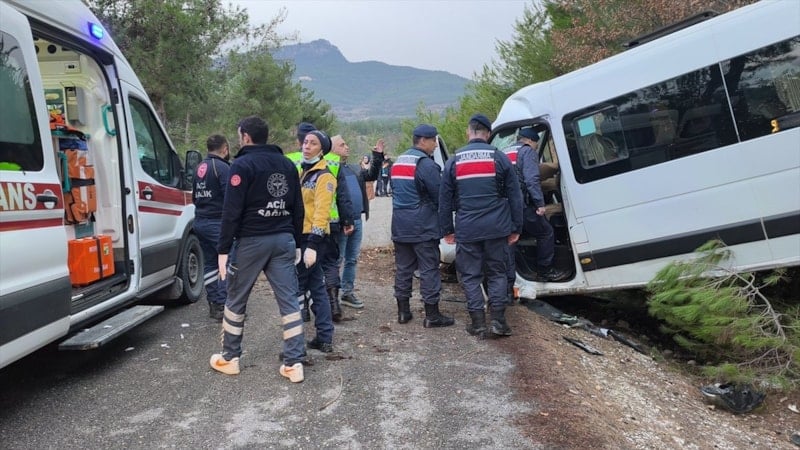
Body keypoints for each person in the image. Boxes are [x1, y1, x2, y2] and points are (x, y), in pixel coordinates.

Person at [209, 116, 306, 383]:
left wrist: (223, 249)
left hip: (251, 240)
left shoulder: (242, 165)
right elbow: (298, 207)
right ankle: (294, 363)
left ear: (246, 137)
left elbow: (231, 211)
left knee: (236, 299)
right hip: (283, 238)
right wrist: (298, 242)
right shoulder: (287, 164)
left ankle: (230, 358)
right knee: (290, 300)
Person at [439, 114, 523, 338]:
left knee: (470, 276)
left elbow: (444, 199)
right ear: (488, 134)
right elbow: (515, 196)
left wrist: (447, 229)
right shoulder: (499, 157)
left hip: (467, 229)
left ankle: (477, 323)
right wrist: (516, 227)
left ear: (468, 132)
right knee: (497, 273)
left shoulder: (454, 161)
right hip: (497, 228)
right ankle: (498, 322)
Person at [390, 124, 454, 328]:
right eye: (434, 141)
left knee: (403, 269)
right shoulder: (425, 165)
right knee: (429, 269)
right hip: (422, 226)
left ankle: (403, 312)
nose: (435, 145)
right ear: (424, 141)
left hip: (400, 225)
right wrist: (448, 225)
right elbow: (439, 197)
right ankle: (432, 315)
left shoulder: (399, 161)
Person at [330, 135, 384, 309]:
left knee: (352, 259)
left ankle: (347, 292)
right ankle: (331, 296)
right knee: (337, 259)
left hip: (356, 220)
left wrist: (377, 156)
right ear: (331, 149)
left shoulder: (353, 168)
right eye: (342, 144)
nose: (347, 147)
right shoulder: (328, 169)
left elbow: (371, 175)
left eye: (346, 144)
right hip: (340, 222)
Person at [296, 130, 336, 353]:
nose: (306, 146)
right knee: (317, 288)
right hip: (303, 237)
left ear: (322, 150)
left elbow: (322, 212)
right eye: (305, 142)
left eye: (313, 143)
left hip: (313, 239)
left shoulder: (324, 176)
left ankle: (295, 346)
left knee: (296, 288)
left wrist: (312, 244)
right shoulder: (304, 172)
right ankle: (324, 337)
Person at [512, 128, 569, 284]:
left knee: (511, 239)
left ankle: (514, 275)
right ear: (530, 141)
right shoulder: (527, 152)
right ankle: (545, 271)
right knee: (546, 232)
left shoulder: (506, 152)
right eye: (536, 144)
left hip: (506, 207)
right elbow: (531, 180)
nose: (536, 147)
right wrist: (539, 204)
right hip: (522, 206)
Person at [191, 134, 230, 321]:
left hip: (200, 221)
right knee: (227, 262)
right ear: (225, 148)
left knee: (210, 264)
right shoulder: (223, 168)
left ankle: (213, 304)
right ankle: (223, 304)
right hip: (218, 222)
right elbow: (230, 197)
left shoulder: (199, 167)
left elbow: (194, 197)